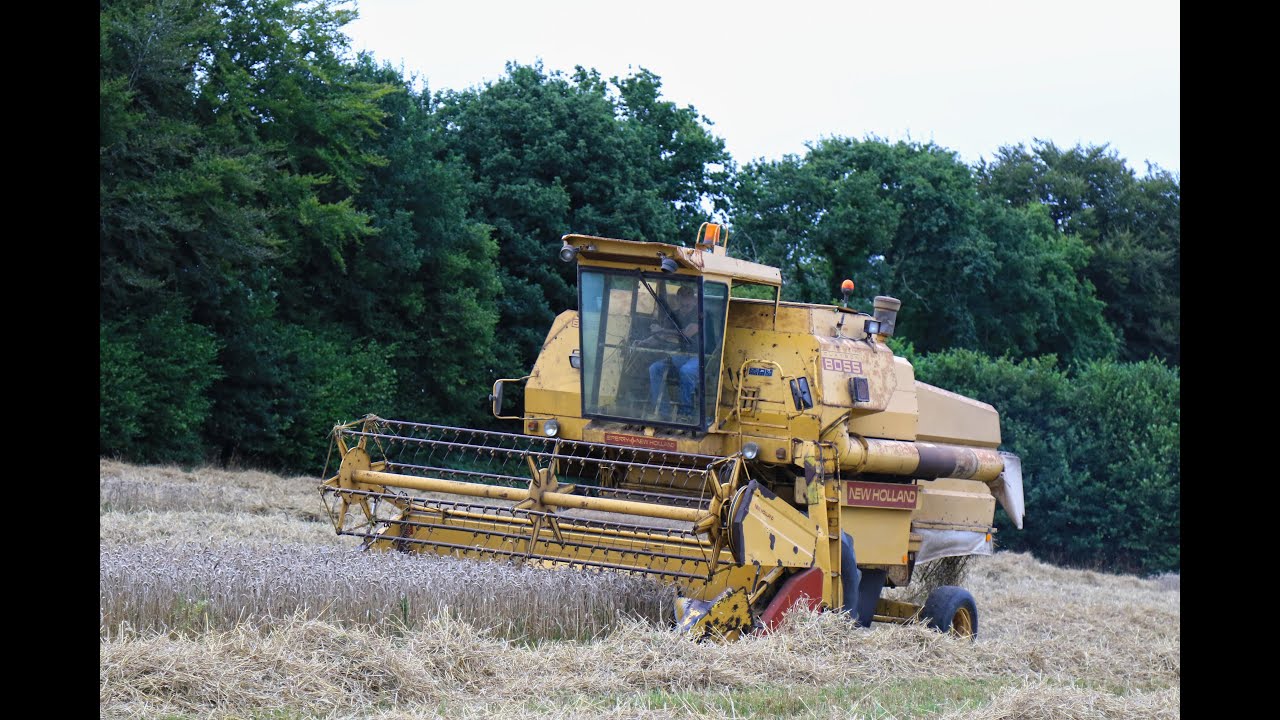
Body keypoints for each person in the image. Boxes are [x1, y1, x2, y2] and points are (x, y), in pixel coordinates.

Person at [645, 286, 714, 420]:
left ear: (695, 301)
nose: (684, 306)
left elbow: (688, 333)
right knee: (655, 368)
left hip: (703, 357)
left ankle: (685, 413)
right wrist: (643, 342)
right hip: (682, 355)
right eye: (682, 303)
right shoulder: (675, 314)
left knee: (686, 371)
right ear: (677, 300)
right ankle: (664, 412)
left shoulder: (701, 314)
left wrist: (661, 330)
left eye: (687, 303)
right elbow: (661, 336)